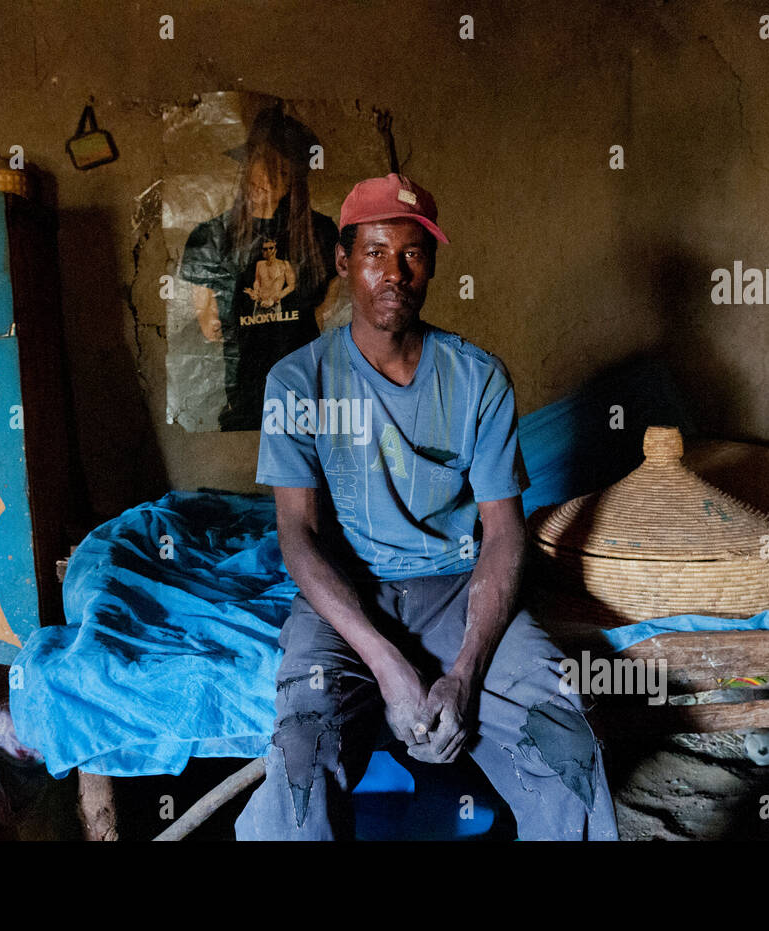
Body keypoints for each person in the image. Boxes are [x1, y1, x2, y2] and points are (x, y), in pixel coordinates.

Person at [236, 173, 619, 840]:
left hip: (455, 588)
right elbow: (297, 536)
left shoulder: (477, 378)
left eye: (412, 254)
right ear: (342, 260)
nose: (394, 273)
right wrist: (388, 667)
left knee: (570, 752)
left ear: (432, 264)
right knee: (301, 763)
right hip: (344, 597)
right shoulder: (298, 380)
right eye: (376, 252)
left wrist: (465, 672)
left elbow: (503, 532)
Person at [179, 106, 341, 432]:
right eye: (259, 164)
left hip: (307, 400)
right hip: (245, 405)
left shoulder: (321, 234)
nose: (264, 179)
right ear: (246, 163)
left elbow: (324, 313)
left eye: (279, 171)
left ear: (294, 180)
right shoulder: (209, 237)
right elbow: (211, 329)